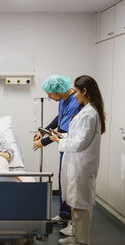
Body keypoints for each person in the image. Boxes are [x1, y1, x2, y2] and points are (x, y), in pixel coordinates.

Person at [49, 75, 105, 245]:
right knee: (74, 201)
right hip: (76, 163)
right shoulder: (85, 110)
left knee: (81, 205)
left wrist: (59, 140)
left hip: (82, 166)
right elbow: (76, 137)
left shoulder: (89, 114)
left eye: (76, 91)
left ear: (84, 91)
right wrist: (62, 137)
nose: (74, 95)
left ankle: (83, 244)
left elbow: (80, 143)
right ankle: (75, 235)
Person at [33, 74, 80, 235]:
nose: (48, 96)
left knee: (69, 183)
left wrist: (43, 143)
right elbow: (58, 119)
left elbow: (62, 131)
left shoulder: (75, 103)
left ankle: (72, 221)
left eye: (51, 94)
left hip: (71, 148)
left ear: (59, 91)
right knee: (63, 181)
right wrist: (42, 130)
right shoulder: (63, 99)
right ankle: (64, 215)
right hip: (64, 147)